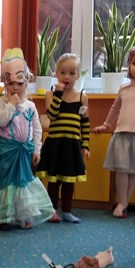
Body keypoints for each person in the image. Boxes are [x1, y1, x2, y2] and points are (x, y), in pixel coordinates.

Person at [0, 48, 54, 230]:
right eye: (11, 84)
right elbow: (0, 121)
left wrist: (37, 149)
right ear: (5, 83)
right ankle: (5, 217)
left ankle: (23, 215)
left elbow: (37, 129)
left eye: (19, 83)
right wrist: (11, 105)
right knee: (7, 182)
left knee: (23, 182)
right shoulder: (1, 103)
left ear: (26, 82)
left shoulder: (30, 106)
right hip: (7, 150)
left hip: (25, 150)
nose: (15, 88)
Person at [93, 47, 135, 218]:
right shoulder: (124, 88)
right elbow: (115, 108)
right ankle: (122, 201)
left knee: (132, 171)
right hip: (122, 132)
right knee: (121, 169)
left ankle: (125, 203)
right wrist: (106, 125)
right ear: (129, 65)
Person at [35, 53, 90, 224]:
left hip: (72, 145)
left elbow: (85, 122)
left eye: (72, 73)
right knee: (54, 180)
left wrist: (85, 145)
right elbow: (52, 114)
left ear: (78, 75)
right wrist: (58, 93)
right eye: (63, 72)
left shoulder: (82, 96)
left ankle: (67, 211)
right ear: (56, 73)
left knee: (69, 181)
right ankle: (52, 211)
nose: (67, 77)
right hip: (55, 144)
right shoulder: (50, 94)